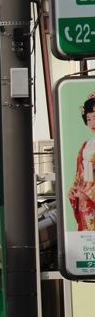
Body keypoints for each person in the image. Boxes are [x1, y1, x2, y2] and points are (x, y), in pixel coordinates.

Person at [69, 93, 95, 230]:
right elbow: (79, 175)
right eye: (89, 119)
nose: (92, 123)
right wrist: (74, 190)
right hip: (84, 198)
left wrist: (87, 193)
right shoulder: (86, 145)